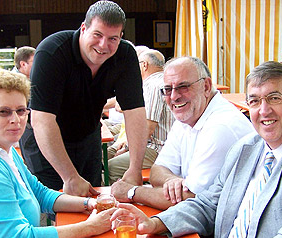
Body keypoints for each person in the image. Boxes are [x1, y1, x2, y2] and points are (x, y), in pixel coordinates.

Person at [111, 61, 282, 238]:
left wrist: (133, 192)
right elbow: (209, 204)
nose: (264, 110)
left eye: (274, 98)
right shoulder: (247, 148)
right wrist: (156, 223)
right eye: (255, 101)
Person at [0, 69, 116, 238]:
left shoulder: (3, 152)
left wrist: (89, 203)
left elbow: (40, 194)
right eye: (3, 112)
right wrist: (92, 226)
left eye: (21, 110)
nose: (16, 119)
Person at [28, 0, 147, 196]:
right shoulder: (52, 52)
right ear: (84, 28)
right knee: (56, 205)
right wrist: (69, 176)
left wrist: (135, 169)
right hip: (47, 140)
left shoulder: (125, 55)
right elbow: (42, 121)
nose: (103, 46)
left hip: (88, 136)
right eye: (97, 35)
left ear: (121, 37)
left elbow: (135, 112)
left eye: (112, 39)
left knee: (91, 200)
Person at [111, 56, 254, 210]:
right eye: (167, 89)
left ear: (206, 86)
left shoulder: (220, 127)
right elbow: (157, 170)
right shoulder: (189, 115)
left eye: (183, 86)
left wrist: (132, 192)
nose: (174, 96)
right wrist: (173, 181)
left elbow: (190, 201)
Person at [107, 49, 174, 184]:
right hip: (159, 144)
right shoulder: (162, 81)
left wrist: (127, 148)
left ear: (144, 65)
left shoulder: (153, 85)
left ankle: (120, 199)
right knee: (104, 154)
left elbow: (148, 128)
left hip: (158, 148)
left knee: (111, 166)